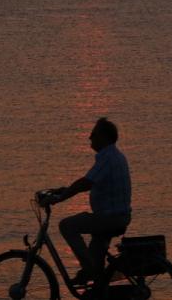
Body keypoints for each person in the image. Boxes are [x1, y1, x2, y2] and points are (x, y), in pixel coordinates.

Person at [49, 117, 132, 286]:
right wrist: (63, 190)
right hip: (115, 216)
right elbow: (91, 181)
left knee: (67, 225)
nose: (90, 137)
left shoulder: (107, 158)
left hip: (110, 218)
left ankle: (88, 270)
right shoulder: (114, 156)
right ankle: (97, 285)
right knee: (96, 264)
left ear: (104, 137)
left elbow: (86, 183)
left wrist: (60, 198)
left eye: (93, 134)